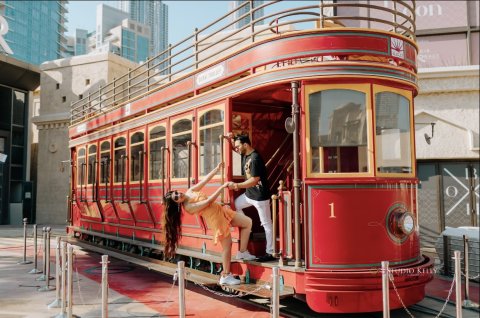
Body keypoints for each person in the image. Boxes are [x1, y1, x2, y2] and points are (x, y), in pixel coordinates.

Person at [162, 162, 256, 286]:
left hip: (222, 212)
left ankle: (242, 252)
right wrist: (222, 187)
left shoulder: (190, 191)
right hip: (216, 219)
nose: (180, 195)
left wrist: (216, 169)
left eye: (177, 193)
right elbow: (208, 201)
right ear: (177, 203)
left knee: (247, 222)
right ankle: (225, 276)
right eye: (177, 197)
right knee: (227, 247)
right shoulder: (189, 207)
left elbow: (204, 181)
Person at [226, 134, 275, 262]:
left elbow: (254, 180)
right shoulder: (245, 154)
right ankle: (248, 224)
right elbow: (236, 146)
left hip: (260, 196)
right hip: (249, 195)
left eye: (238, 147)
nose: (236, 149)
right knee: (235, 205)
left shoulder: (255, 158)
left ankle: (270, 252)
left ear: (245, 145)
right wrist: (231, 140)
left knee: (267, 224)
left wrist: (237, 185)